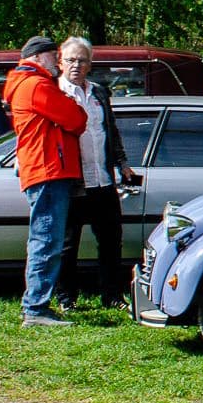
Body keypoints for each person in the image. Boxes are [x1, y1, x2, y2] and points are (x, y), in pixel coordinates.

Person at [2, 36, 87, 328]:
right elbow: (76, 120)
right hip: (48, 169)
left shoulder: (27, 83)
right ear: (38, 57)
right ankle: (36, 308)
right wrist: (71, 104)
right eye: (54, 55)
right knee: (47, 240)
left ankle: (36, 305)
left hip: (44, 169)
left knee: (44, 238)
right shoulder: (37, 85)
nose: (58, 61)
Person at [59, 37, 142, 307]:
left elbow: (110, 130)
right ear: (61, 62)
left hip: (103, 180)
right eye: (71, 60)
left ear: (90, 64)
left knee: (110, 241)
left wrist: (122, 162)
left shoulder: (98, 93)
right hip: (73, 182)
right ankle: (66, 298)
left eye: (82, 60)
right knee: (67, 245)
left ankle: (112, 296)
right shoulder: (56, 93)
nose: (76, 65)